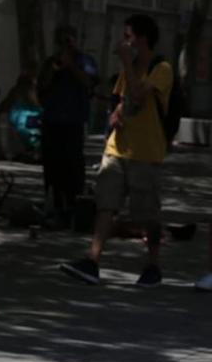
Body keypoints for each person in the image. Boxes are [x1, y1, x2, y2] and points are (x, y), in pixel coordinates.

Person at [61, 14, 173, 287]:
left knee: (147, 214)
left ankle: (153, 265)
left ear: (142, 38)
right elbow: (125, 100)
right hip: (117, 149)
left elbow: (138, 94)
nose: (125, 42)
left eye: (129, 36)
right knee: (106, 206)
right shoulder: (129, 69)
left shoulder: (162, 69)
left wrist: (125, 62)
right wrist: (116, 115)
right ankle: (92, 260)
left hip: (146, 152)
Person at [38, 25, 98, 223]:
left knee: (72, 167)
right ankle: (53, 204)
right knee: (52, 166)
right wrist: (56, 69)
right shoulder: (50, 62)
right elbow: (42, 87)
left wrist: (71, 65)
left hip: (73, 123)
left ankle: (72, 205)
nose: (66, 44)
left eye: (69, 40)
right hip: (52, 121)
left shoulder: (85, 61)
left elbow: (89, 83)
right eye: (62, 40)